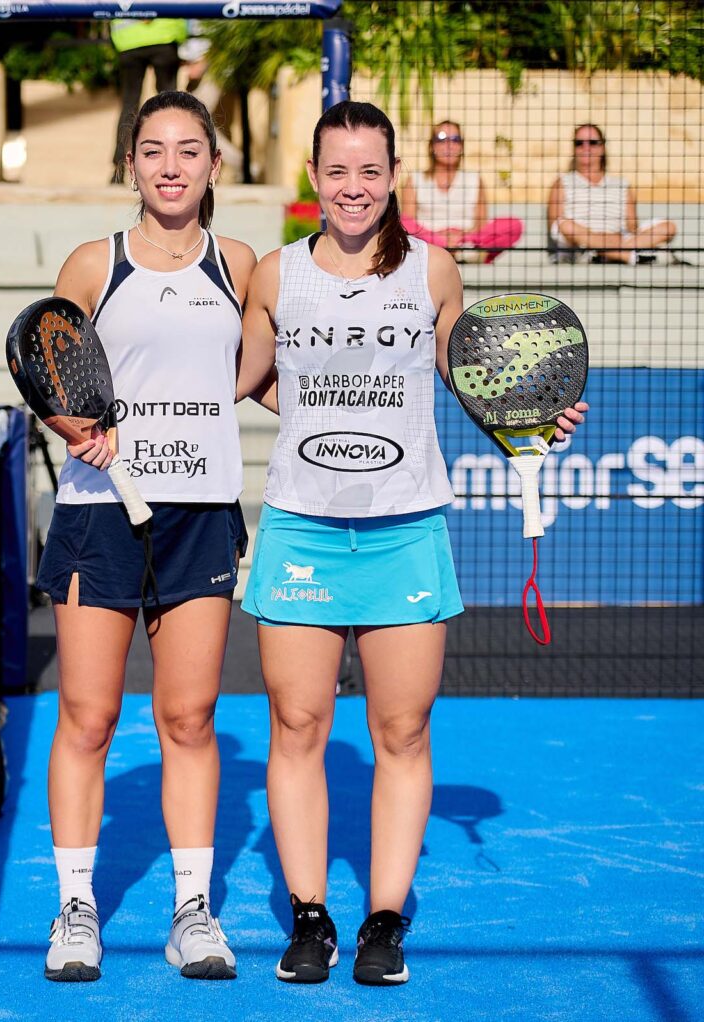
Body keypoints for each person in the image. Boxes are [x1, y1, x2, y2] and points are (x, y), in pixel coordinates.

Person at [236, 100, 586, 986]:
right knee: (297, 725)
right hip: (303, 527)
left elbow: (469, 379)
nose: (353, 187)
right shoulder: (275, 276)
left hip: (405, 531)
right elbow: (239, 379)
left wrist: (532, 417)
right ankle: (310, 919)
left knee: (401, 729)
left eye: (370, 170)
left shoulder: (433, 270)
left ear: (393, 177)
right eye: (337, 170)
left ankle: (384, 923)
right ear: (313, 178)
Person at [36, 90, 255, 984]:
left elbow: (268, 376)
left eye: (189, 150)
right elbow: (47, 367)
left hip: (201, 516)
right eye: (154, 150)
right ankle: (75, 908)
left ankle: (192, 912)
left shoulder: (240, 265)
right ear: (130, 164)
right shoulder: (96, 262)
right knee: (88, 717)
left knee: (190, 718)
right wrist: (73, 427)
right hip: (99, 515)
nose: (171, 166)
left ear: (213, 165)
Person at [548, 123, 678, 264]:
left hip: (619, 239)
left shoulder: (622, 185)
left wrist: (612, 240)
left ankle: (606, 253)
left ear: (602, 147)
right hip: (579, 245)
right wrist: (594, 237)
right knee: (565, 225)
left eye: (592, 142)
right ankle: (625, 255)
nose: (586, 147)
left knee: (668, 227)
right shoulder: (562, 182)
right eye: (579, 143)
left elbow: (632, 228)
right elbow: (556, 226)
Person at [399, 120, 522, 263]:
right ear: (432, 146)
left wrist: (462, 236)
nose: (449, 145)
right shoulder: (415, 179)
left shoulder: (474, 179)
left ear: (461, 146)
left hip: (467, 241)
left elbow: (481, 223)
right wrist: (439, 237)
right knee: (401, 223)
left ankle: (461, 251)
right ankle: (449, 250)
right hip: (428, 240)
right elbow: (408, 221)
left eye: (455, 139)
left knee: (514, 225)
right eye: (442, 139)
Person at [109, 18, 187, 184]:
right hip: (165, 35)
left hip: (129, 38)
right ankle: (176, 163)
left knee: (129, 106)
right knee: (170, 106)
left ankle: (118, 170)